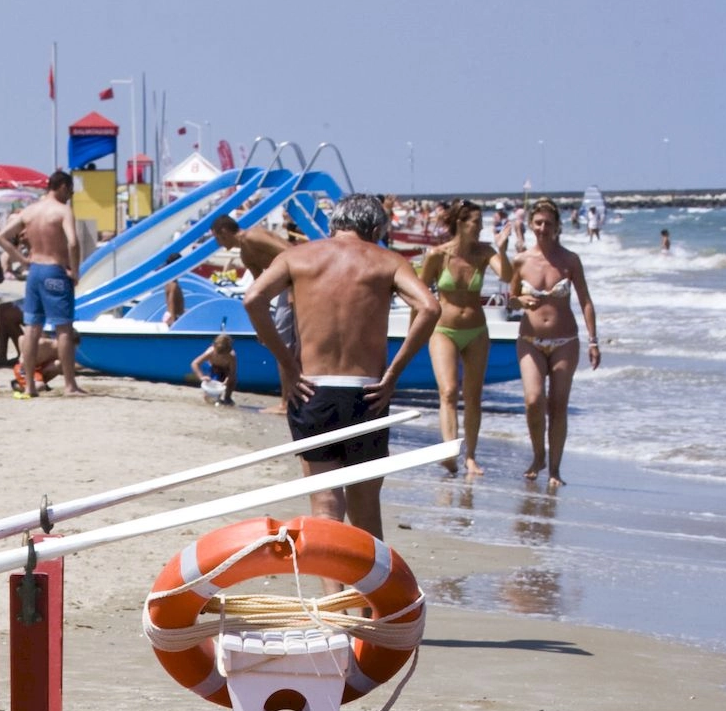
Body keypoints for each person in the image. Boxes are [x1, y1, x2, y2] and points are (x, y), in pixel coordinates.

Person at [241, 194, 439, 538]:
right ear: (376, 228)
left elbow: (253, 298)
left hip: (312, 389)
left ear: (334, 225)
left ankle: (332, 592)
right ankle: (372, 591)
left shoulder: (297, 257)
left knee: (325, 507)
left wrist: (287, 362)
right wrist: (393, 374)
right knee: (365, 509)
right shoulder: (388, 261)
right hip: (368, 392)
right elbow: (430, 308)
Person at [416, 199, 512, 479]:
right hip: (443, 330)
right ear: (460, 223)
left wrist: (503, 249)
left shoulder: (484, 252)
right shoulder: (437, 255)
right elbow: (420, 294)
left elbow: (506, 274)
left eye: (482, 224)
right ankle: (449, 451)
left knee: (473, 396)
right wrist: (416, 331)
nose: (481, 228)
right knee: (448, 391)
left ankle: (470, 456)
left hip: (476, 331)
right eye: (476, 223)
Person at [508, 198, 600, 488]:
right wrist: (520, 299)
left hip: (565, 341)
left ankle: (555, 469)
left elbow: (585, 300)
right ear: (531, 225)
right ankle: (538, 455)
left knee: (558, 405)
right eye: (538, 223)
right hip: (530, 340)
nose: (543, 228)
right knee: (533, 400)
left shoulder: (570, 260)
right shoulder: (522, 260)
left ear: (558, 226)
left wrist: (593, 340)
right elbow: (510, 300)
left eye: (548, 223)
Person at [0, 170, 82, 396]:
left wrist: (23, 260)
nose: (70, 194)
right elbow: (73, 243)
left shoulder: (30, 211)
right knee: (63, 327)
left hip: (34, 271)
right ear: (63, 186)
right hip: (55, 270)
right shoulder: (63, 210)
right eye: (70, 190)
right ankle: (70, 386)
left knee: (33, 328)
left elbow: (2, 237)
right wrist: (75, 271)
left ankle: (29, 387)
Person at [189, 332, 237, 404]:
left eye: (224, 355)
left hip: (226, 370)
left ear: (229, 350)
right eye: (218, 354)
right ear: (213, 346)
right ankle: (211, 397)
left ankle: (227, 398)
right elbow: (195, 363)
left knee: (232, 380)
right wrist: (201, 376)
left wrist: (228, 379)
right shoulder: (210, 352)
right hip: (214, 368)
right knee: (211, 385)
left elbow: (232, 372)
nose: (221, 357)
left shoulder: (231, 356)